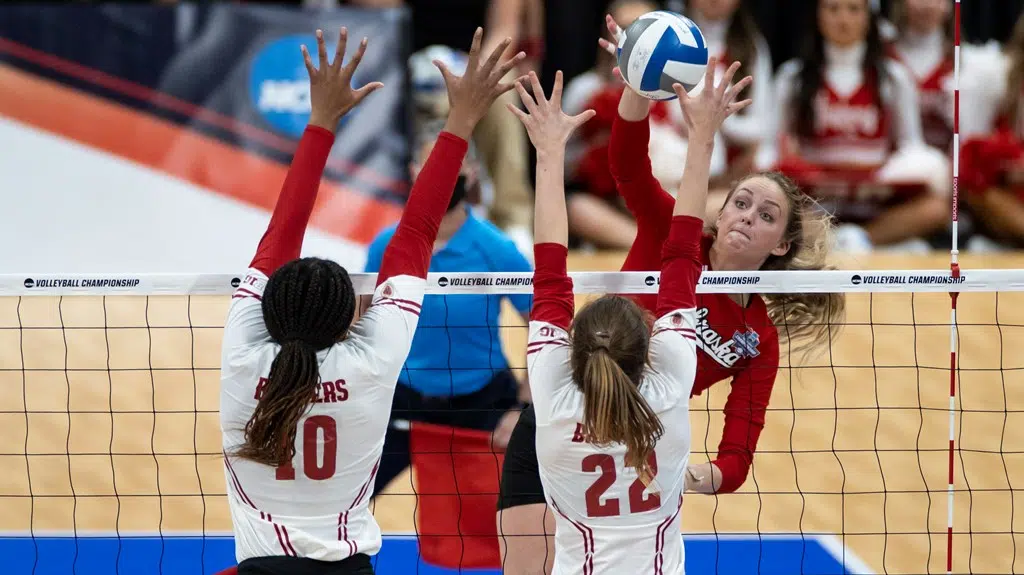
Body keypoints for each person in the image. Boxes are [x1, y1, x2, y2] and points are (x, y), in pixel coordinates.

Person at [495, 14, 846, 575]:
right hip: (560, 422)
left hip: (637, 444)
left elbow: (738, 448)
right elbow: (627, 167)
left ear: (780, 246)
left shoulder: (757, 339)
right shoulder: (671, 233)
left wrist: (686, 474)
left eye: (767, 215)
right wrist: (636, 89)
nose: (747, 217)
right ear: (718, 207)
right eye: (740, 202)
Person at [218, 26, 524, 575]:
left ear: (268, 309)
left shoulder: (243, 355)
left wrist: (320, 123)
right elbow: (417, 233)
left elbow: (281, 232)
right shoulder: (371, 363)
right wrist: (463, 120)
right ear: (348, 321)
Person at [507, 54, 750, 572]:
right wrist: (703, 137)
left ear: (575, 346)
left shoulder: (552, 394)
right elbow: (683, 250)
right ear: (647, 347)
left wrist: (547, 156)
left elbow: (551, 265)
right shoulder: (669, 389)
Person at [363, 132, 533, 497]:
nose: (442, 178)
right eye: (430, 168)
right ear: (413, 172)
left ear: (471, 173)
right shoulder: (387, 245)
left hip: (484, 403)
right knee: (351, 494)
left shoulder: (497, 250)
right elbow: (361, 325)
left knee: (509, 510)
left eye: (453, 168)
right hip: (403, 399)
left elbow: (546, 327)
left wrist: (523, 407)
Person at [756, 0, 950, 252]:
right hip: (814, 204)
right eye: (833, 9)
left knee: (936, 209)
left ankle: (860, 238)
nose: (843, 19)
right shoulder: (792, 77)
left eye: (853, 9)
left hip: (876, 202)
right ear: (818, 16)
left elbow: (912, 149)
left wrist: (883, 177)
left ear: (868, 17)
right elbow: (769, 148)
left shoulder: (894, 77)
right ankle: (828, 237)